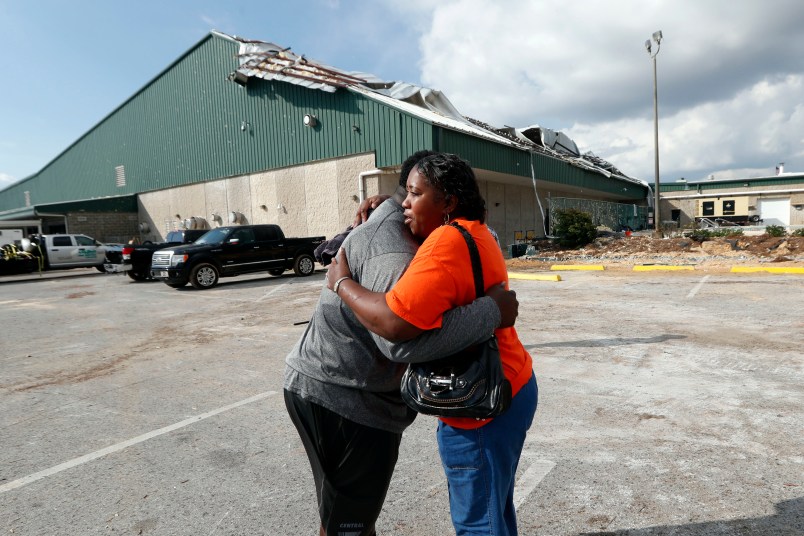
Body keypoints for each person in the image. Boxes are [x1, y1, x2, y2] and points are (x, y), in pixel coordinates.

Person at [284, 150, 520, 536]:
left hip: (347, 387)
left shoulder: (430, 235)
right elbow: (397, 342)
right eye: (407, 193)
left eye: (416, 193)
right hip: (345, 397)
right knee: (349, 521)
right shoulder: (397, 248)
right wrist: (490, 312)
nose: (408, 203)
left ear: (447, 201)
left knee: (346, 514)